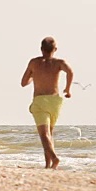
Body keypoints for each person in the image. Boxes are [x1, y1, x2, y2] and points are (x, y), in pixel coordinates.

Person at [21, 36, 74, 169]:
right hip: (55, 101)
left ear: (41, 49)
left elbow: (23, 83)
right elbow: (70, 72)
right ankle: (48, 165)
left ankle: (54, 158)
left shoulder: (34, 62)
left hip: (40, 101)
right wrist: (67, 89)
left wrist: (34, 76)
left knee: (44, 134)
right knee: (49, 134)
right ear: (55, 49)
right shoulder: (59, 62)